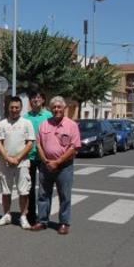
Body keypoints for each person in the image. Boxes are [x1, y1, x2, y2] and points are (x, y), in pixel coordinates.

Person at [32, 96, 81, 235]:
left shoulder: (71, 125)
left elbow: (74, 147)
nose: (56, 109)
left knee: (64, 195)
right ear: (50, 109)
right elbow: (39, 144)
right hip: (46, 165)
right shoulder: (44, 124)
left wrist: (58, 162)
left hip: (64, 166)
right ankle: (42, 221)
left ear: (64, 108)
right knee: (43, 195)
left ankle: (64, 223)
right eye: (54, 107)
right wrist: (46, 161)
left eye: (59, 107)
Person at [0, 96, 35, 229]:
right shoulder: (2, 124)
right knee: (6, 191)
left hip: (22, 162)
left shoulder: (26, 123)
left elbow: (30, 143)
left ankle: (23, 217)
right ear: (8, 107)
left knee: (23, 191)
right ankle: (6, 215)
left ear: (21, 108)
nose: (14, 110)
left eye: (17, 107)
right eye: (12, 107)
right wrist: (7, 158)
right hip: (5, 163)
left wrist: (17, 158)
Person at [23, 90, 53, 224]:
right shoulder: (25, 117)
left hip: (44, 156)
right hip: (29, 156)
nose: (36, 99)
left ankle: (43, 216)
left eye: (39, 97)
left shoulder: (48, 115)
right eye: (33, 97)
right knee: (29, 188)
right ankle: (30, 215)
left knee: (44, 188)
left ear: (43, 100)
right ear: (30, 100)